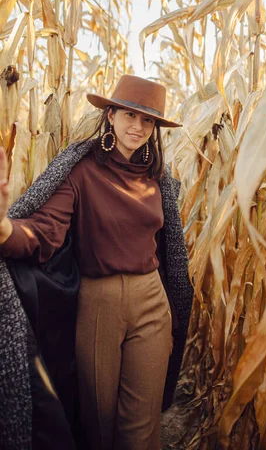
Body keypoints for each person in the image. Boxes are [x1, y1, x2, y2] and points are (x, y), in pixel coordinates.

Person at [0, 75, 193, 450]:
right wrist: (5, 229)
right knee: (99, 426)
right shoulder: (80, 170)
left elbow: (169, 254)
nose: (138, 127)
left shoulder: (159, 181)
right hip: (98, 303)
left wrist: (172, 311)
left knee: (141, 430)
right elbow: (43, 232)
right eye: (129, 115)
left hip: (152, 303)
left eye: (148, 120)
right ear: (110, 115)